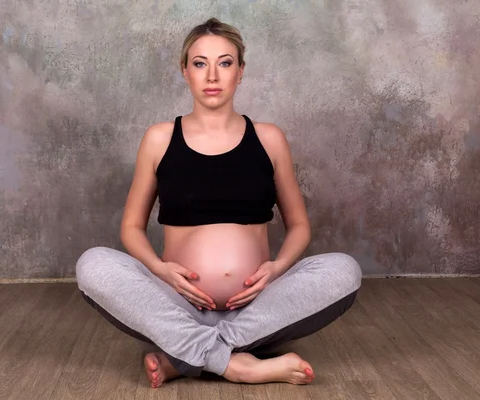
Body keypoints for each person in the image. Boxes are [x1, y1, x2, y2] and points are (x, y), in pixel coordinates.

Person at [76, 18, 361, 388]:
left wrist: (276, 269)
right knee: (93, 264)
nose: (212, 75)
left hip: (257, 308)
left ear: (240, 72)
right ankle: (236, 364)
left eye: (225, 63)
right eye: (200, 63)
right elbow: (131, 228)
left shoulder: (269, 139)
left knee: (344, 270)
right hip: (177, 305)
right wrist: (160, 271)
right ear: (185, 71)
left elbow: (300, 226)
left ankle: (190, 357)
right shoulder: (159, 139)